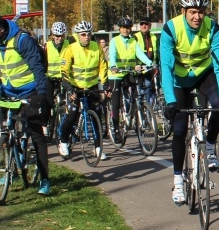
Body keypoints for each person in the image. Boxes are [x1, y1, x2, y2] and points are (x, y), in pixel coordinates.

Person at [159, 0, 219, 205]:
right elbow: (165, 66)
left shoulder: (213, 28)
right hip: (179, 80)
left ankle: (209, 144)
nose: (197, 17)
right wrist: (170, 100)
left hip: (204, 74)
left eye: (201, 12)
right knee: (180, 130)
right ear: (183, 11)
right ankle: (178, 181)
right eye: (192, 12)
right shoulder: (171, 28)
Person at [0, 13, 51, 195]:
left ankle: (45, 179)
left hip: (30, 92)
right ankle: (12, 170)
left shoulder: (23, 41)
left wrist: (40, 93)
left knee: (36, 133)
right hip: (9, 92)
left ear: (0, 30)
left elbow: (37, 67)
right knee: (6, 131)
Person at [59, 21, 108, 160]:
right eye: (83, 34)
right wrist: (69, 88)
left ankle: (98, 148)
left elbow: (103, 66)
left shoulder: (96, 47)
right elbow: (64, 70)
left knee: (96, 115)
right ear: (78, 35)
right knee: (72, 113)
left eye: (89, 34)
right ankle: (63, 142)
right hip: (75, 86)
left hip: (91, 86)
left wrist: (104, 86)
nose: (87, 37)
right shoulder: (71, 49)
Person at [108, 17, 155, 143]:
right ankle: (116, 130)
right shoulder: (115, 41)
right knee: (116, 102)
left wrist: (150, 63)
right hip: (116, 74)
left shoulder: (133, 41)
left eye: (128, 28)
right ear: (120, 29)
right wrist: (113, 66)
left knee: (137, 92)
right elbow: (112, 54)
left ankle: (132, 113)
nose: (126, 30)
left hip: (129, 72)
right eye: (123, 28)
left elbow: (139, 53)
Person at [42, 21, 69, 134]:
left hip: (64, 78)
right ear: (53, 35)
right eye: (57, 36)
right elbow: (42, 62)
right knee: (47, 103)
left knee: (67, 102)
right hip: (50, 78)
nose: (59, 38)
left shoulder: (68, 44)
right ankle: (45, 125)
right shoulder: (47, 46)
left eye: (61, 36)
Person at [133, 17, 159, 104]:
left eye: (146, 24)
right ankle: (138, 109)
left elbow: (157, 52)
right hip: (139, 68)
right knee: (139, 91)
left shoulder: (154, 37)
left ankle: (149, 109)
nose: (144, 26)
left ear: (150, 25)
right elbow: (133, 52)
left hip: (150, 67)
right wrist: (137, 64)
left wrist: (157, 64)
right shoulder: (135, 36)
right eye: (142, 24)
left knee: (149, 87)